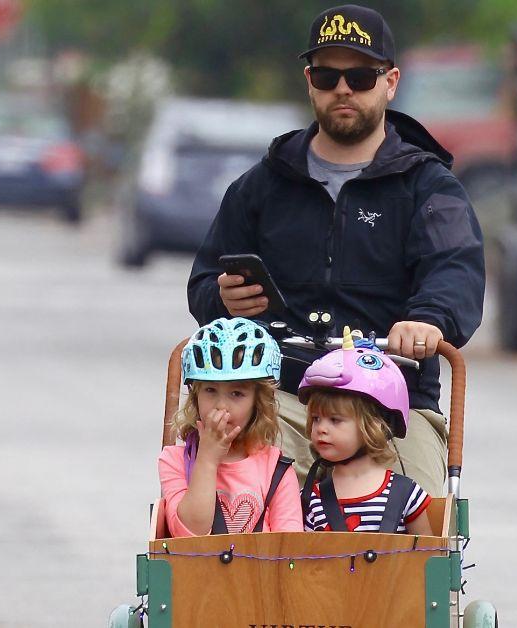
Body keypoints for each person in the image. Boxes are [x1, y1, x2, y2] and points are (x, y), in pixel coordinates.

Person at [186, 4, 485, 496]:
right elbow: (203, 284)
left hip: (391, 404)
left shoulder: (430, 187)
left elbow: (456, 271)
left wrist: (429, 321)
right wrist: (222, 300)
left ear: (390, 82)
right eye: (327, 75)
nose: (343, 89)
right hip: (276, 398)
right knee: (222, 486)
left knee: (421, 518)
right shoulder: (259, 187)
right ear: (309, 82)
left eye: (361, 76)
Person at [158, 318, 303, 536]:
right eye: (210, 390)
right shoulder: (175, 460)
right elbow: (190, 533)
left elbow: (289, 548)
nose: (221, 405)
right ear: (195, 397)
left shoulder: (276, 468)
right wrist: (206, 459)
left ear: (258, 402)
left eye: (237, 394)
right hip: (197, 569)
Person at [299, 332, 432, 535]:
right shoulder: (310, 500)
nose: (321, 428)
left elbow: (428, 558)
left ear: (373, 427)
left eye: (335, 420)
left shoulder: (406, 494)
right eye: (316, 418)